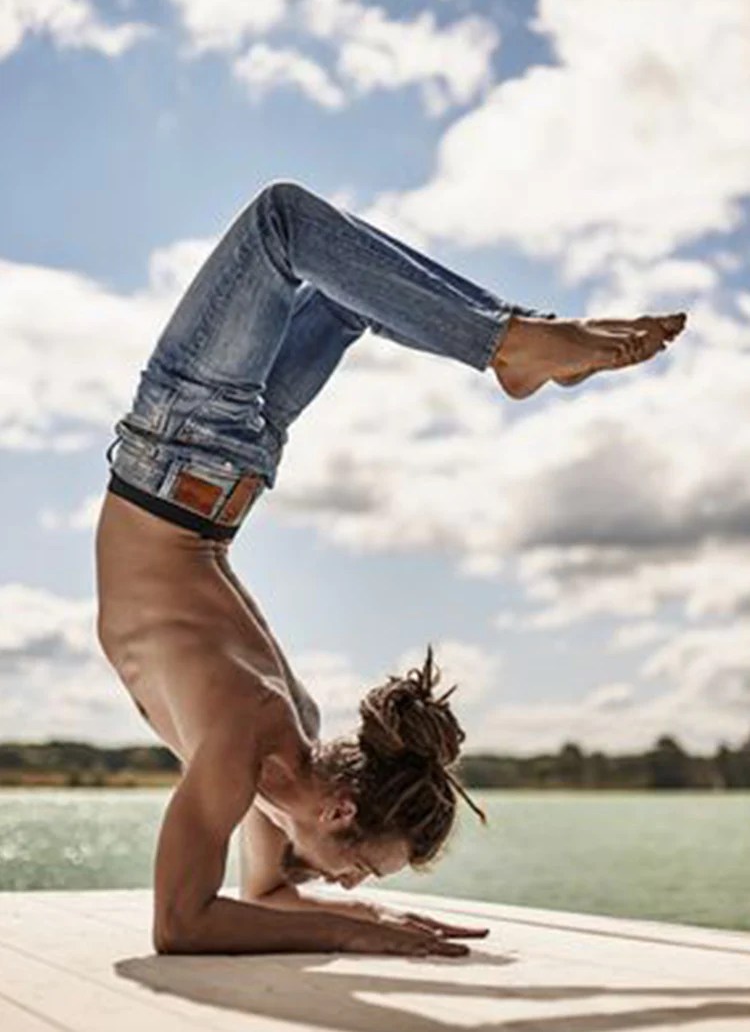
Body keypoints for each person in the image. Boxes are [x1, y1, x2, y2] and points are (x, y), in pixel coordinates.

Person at [94, 180, 686, 959]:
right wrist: (353, 929)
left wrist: (377, 922)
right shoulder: (250, 738)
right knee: (283, 223)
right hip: (184, 452)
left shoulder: (274, 770)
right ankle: (511, 342)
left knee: (349, 296)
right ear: (340, 810)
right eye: (364, 873)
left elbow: (264, 896)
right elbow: (181, 926)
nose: (347, 885)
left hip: (213, 477)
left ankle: (516, 341)